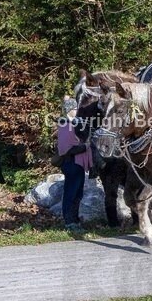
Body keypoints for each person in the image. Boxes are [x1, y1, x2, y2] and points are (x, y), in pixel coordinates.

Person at [56, 97, 92, 234]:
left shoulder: (74, 123)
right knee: (71, 192)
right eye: (74, 108)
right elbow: (65, 149)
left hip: (78, 164)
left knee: (78, 193)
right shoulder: (65, 125)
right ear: (68, 110)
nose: (76, 110)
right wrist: (85, 147)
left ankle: (74, 219)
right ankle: (69, 221)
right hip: (71, 163)